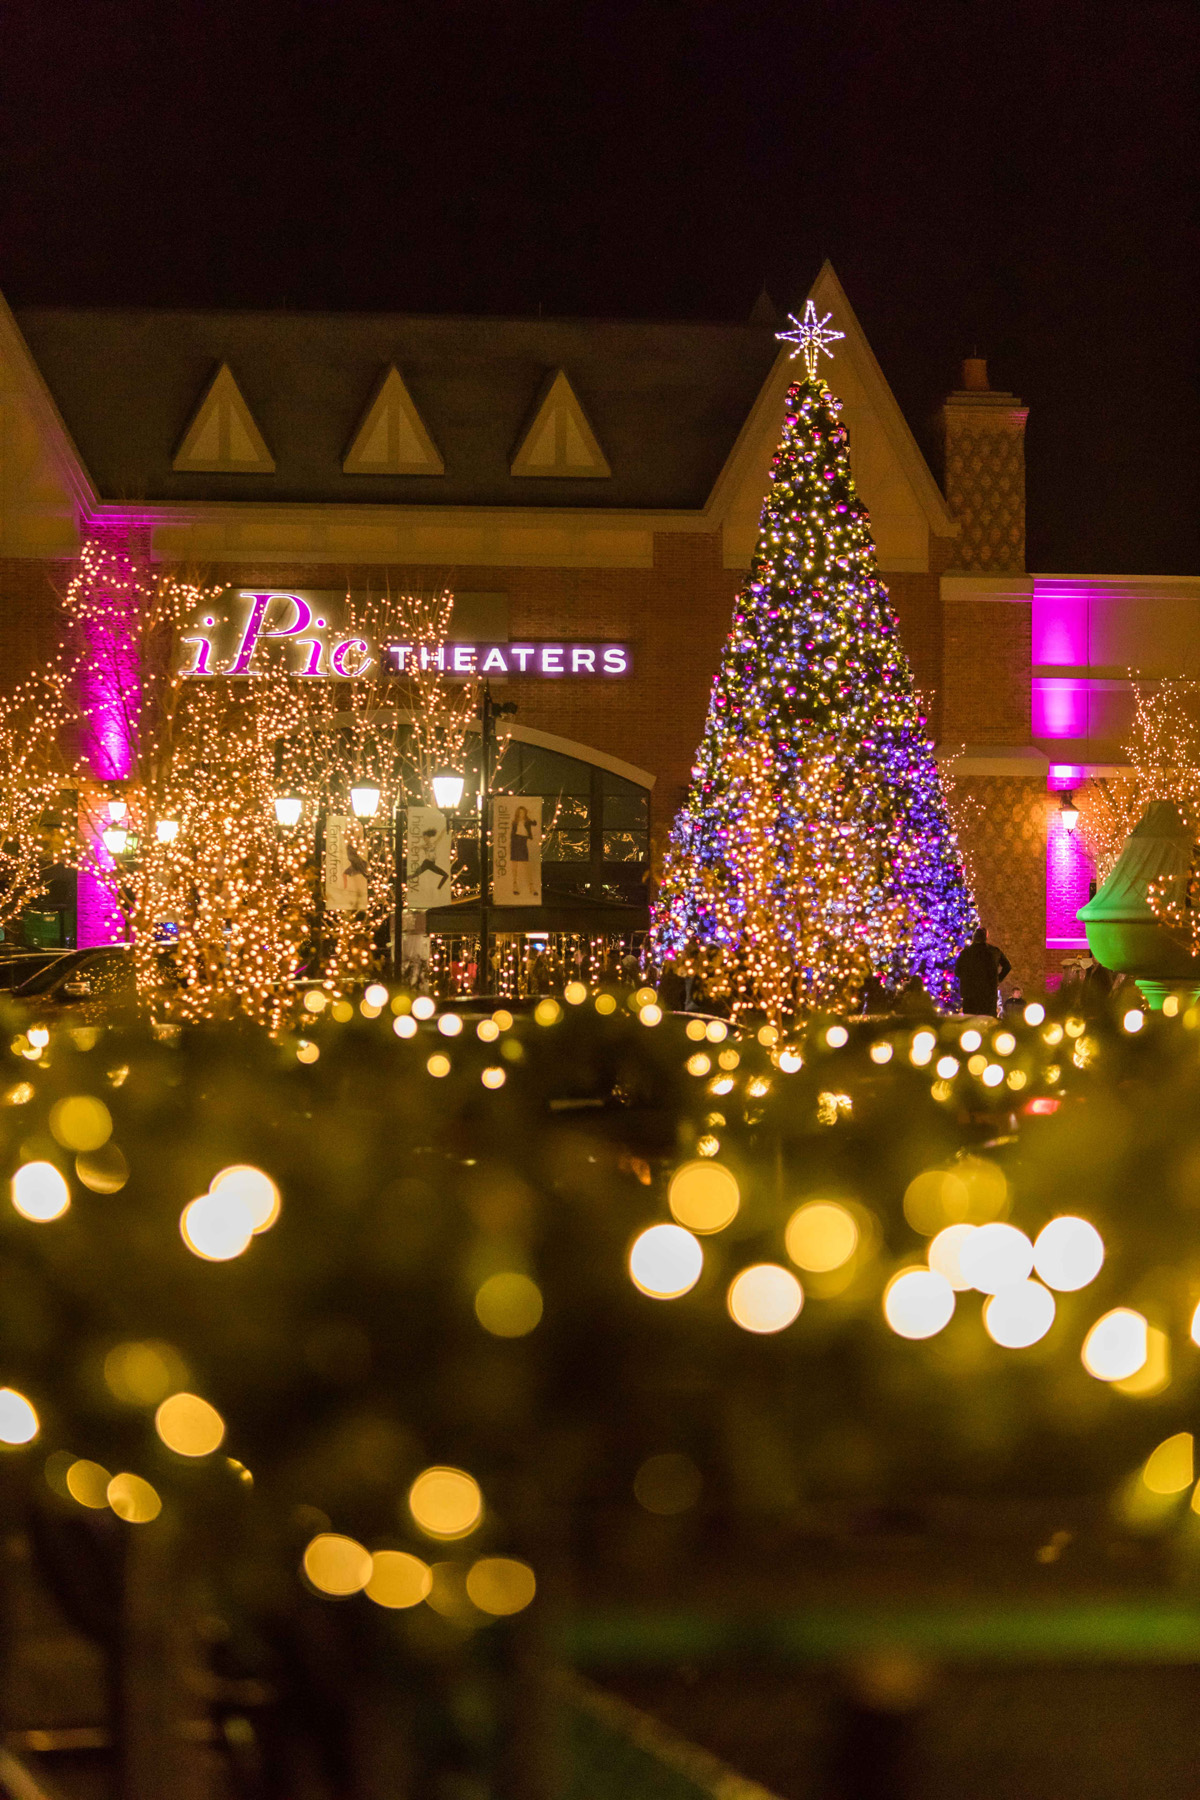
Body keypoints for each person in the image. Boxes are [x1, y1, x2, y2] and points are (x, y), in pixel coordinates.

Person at [954, 926, 1012, 1016]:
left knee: (970, 1021)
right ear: (985, 938)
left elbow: (957, 971)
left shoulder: (965, 953)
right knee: (988, 1021)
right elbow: (1007, 966)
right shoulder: (994, 951)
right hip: (989, 993)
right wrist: (998, 979)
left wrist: (967, 979)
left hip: (970, 994)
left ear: (974, 938)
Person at [509, 806, 538, 897]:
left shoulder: (528, 821)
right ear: (518, 813)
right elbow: (512, 834)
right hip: (515, 842)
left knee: (526, 864)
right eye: (520, 812)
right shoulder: (514, 822)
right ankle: (515, 885)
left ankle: (531, 887)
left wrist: (532, 813)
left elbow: (535, 823)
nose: (521, 814)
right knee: (515, 864)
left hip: (523, 841)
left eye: (523, 812)